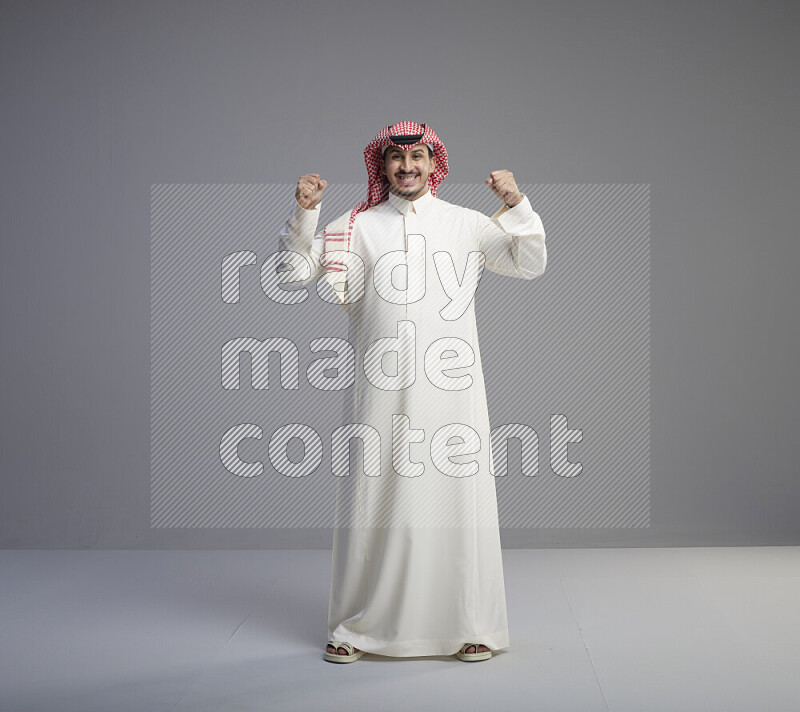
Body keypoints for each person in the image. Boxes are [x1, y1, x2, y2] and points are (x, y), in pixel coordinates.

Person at [278, 121, 547, 663]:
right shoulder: (356, 226)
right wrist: (305, 213)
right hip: (380, 388)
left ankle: (471, 625)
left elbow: (529, 261)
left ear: (433, 163)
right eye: (397, 159)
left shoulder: (466, 224)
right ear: (382, 167)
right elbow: (293, 274)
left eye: (417, 157)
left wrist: (516, 202)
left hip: (454, 391)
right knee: (373, 500)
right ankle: (356, 627)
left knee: (456, 500)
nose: (408, 167)